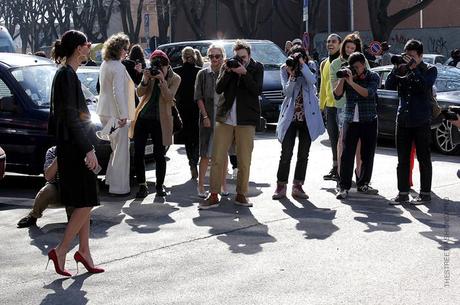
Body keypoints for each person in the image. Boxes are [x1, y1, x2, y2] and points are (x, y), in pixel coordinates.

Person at [47, 30, 104, 276]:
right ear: (78, 48)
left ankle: (84, 251)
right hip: (74, 148)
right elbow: (71, 117)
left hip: (72, 146)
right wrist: (88, 149)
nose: (89, 47)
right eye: (86, 44)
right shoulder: (66, 75)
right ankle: (61, 250)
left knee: (85, 201)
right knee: (87, 200)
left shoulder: (68, 74)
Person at [199, 40, 264, 209]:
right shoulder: (227, 66)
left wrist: (244, 73)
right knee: (217, 158)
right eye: (237, 57)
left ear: (249, 55)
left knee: (244, 159)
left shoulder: (257, 68)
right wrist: (228, 71)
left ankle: (241, 194)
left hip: (246, 119)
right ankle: (213, 195)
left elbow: (257, 90)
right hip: (225, 118)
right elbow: (219, 88)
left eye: (243, 57)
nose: (240, 60)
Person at [385, 39, 437, 204]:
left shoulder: (429, 69)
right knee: (403, 159)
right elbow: (388, 85)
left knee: (423, 158)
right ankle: (402, 193)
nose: (409, 59)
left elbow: (423, 87)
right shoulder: (403, 68)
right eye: (407, 56)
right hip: (403, 120)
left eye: (412, 56)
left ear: (420, 56)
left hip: (421, 119)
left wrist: (414, 69)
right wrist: (396, 69)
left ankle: (425, 193)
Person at [272, 45, 325, 199]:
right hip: (290, 117)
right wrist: (293, 75)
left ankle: (298, 185)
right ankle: (281, 185)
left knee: (303, 154)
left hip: (307, 117)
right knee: (286, 153)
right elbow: (287, 92)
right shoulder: (285, 69)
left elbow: (312, 81)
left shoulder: (310, 66)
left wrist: (302, 65)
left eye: (299, 57)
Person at [130, 50, 181, 198]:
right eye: (157, 66)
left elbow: (169, 98)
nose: (160, 69)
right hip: (143, 117)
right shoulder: (150, 74)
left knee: (159, 155)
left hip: (161, 120)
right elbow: (139, 93)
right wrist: (145, 79)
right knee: (138, 152)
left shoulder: (175, 78)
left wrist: (162, 81)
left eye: (163, 66)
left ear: (168, 65)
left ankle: (159, 186)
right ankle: (142, 186)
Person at [333, 52, 380, 199]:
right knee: (346, 154)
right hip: (350, 119)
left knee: (367, 154)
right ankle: (343, 186)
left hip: (368, 120)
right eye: (353, 67)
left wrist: (352, 83)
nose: (356, 70)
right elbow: (337, 95)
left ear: (364, 65)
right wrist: (343, 79)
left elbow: (369, 93)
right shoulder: (347, 75)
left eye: (358, 67)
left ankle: (363, 183)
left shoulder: (373, 76)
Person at [96, 33, 135, 196]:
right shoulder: (118, 67)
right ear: (119, 49)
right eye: (125, 49)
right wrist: (123, 114)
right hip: (116, 114)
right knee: (121, 151)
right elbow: (118, 92)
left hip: (104, 111)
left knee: (115, 148)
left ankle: (111, 181)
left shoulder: (105, 64)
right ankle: (119, 187)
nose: (127, 52)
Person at [329, 33, 369, 182]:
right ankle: (341, 175)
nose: (350, 51)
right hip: (343, 106)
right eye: (347, 47)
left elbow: (368, 81)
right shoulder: (335, 64)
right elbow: (335, 91)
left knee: (360, 143)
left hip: (361, 106)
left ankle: (360, 175)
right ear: (343, 47)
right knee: (343, 142)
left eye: (353, 48)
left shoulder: (363, 62)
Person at [195, 44, 229, 198]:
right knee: (205, 153)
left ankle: (223, 185)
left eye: (218, 56)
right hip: (208, 117)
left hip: (224, 118)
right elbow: (198, 97)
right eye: (211, 56)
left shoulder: (228, 73)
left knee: (223, 153)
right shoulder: (203, 74)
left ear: (223, 57)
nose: (215, 59)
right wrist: (205, 116)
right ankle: (201, 185)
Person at [17, 146, 74, 228]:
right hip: (57, 186)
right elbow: (48, 176)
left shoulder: (83, 150)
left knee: (81, 189)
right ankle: (33, 215)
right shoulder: (53, 151)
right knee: (46, 191)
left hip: (76, 188)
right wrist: (59, 158)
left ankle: (79, 216)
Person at [174, 47, 202, 180]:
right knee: (196, 138)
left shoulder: (177, 72)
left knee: (187, 139)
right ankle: (194, 162)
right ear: (194, 57)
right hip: (197, 107)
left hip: (182, 108)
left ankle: (191, 163)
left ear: (183, 57)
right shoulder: (199, 72)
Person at [319, 33, 342, 181]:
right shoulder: (324, 63)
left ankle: (343, 169)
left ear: (340, 44)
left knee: (343, 141)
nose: (330, 44)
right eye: (328, 41)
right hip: (330, 107)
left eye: (333, 41)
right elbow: (322, 86)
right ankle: (335, 167)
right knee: (333, 139)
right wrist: (321, 106)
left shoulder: (344, 61)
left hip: (342, 107)